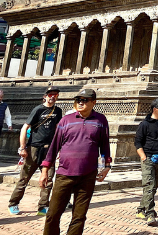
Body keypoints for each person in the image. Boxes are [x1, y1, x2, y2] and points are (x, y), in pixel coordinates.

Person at [40, 88, 111, 235]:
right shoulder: (66, 120)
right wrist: (45, 170)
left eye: (85, 100)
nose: (80, 102)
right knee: (53, 214)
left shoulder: (100, 120)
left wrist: (106, 166)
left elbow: (105, 146)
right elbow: (54, 146)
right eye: (78, 100)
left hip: (88, 175)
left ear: (93, 102)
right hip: (64, 174)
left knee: (79, 217)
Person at [8, 86, 62, 216]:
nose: (52, 97)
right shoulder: (38, 110)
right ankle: (13, 203)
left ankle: (43, 206)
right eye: (50, 94)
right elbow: (25, 128)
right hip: (33, 148)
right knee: (24, 179)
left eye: (55, 94)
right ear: (45, 96)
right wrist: (22, 147)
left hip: (49, 150)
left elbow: (57, 129)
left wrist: (59, 148)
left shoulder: (58, 111)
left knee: (48, 180)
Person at [134, 98, 158, 226]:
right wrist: (143, 157)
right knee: (149, 186)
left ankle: (140, 209)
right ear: (155, 109)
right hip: (148, 158)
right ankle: (150, 214)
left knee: (154, 186)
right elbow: (137, 142)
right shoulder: (145, 124)